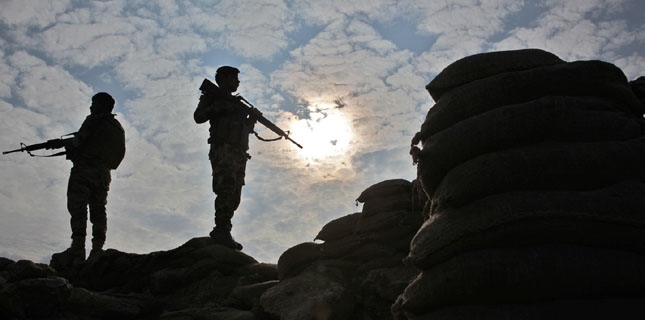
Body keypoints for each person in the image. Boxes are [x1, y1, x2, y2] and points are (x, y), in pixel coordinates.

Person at [51, 92, 126, 264]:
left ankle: (77, 249)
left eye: (94, 103)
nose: (91, 106)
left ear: (102, 105)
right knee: (99, 210)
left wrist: (61, 143)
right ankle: (97, 250)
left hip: (85, 170)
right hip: (104, 175)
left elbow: (79, 142)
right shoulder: (116, 126)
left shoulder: (93, 120)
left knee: (77, 207)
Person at [194, 66, 257, 250]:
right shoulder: (212, 97)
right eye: (234, 78)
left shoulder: (238, 104)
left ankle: (225, 229)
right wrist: (218, 106)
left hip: (239, 153)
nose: (237, 82)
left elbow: (244, 129)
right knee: (226, 188)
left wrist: (252, 119)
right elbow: (198, 117)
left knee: (235, 194)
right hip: (223, 149)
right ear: (223, 78)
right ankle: (221, 230)